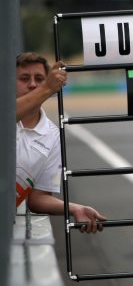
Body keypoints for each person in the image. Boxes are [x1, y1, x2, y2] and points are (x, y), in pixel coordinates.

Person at [15, 52, 106, 234]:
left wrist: (74, 209)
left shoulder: (53, 135)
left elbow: (38, 198)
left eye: (39, 79)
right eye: (24, 78)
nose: (32, 84)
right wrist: (47, 87)